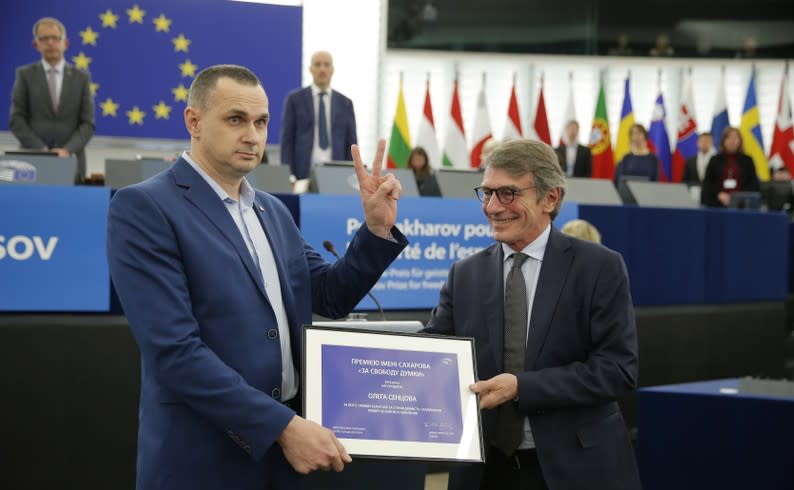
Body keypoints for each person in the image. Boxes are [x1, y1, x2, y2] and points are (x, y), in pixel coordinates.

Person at [106, 64, 407, 490]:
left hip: (283, 460)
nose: (253, 135)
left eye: (261, 122)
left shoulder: (273, 210)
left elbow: (329, 295)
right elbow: (175, 353)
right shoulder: (144, 208)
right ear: (193, 121)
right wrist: (283, 427)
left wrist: (375, 230)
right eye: (236, 120)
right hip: (202, 457)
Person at [423, 139, 640, 490]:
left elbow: (617, 370)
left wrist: (522, 387)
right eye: (487, 193)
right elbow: (433, 355)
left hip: (575, 469)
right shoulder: (465, 274)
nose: (493, 206)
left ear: (550, 198)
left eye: (508, 193)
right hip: (486, 472)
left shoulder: (599, 267)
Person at [9, 17, 95, 184]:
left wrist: (67, 151)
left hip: (71, 162)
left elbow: (87, 124)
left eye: (55, 38)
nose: (50, 43)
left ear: (66, 43)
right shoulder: (25, 75)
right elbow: (17, 120)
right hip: (32, 164)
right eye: (44, 38)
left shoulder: (81, 77)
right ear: (36, 44)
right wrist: (42, 151)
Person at [280, 51, 357, 182]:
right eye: (317, 64)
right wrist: (288, 174)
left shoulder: (345, 103)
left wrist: (350, 174)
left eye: (326, 65)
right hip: (302, 173)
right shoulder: (295, 100)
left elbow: (351, 143)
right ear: (310, 69)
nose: (322, 69)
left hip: (337, 173)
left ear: (332, 70)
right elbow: (287, 140)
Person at [701, 126, 759, 207]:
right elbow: (708, 183)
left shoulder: (747, 160)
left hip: (742, 205)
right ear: (723, 141)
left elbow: (753, 184)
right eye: (729, 138)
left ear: (740, 141)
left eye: (735, 138)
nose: (732, 141)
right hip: (716, 204)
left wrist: (738, 197)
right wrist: (719, 194)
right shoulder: (715, 160)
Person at [614, 123, 659, 188]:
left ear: (645, 135)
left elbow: (655, 180)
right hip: (627, 192)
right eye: (633, 133)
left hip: (647, 192)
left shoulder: (653, 158)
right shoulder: (626, 158)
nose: (637, 136)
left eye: (639, 132)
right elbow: (618, 180)